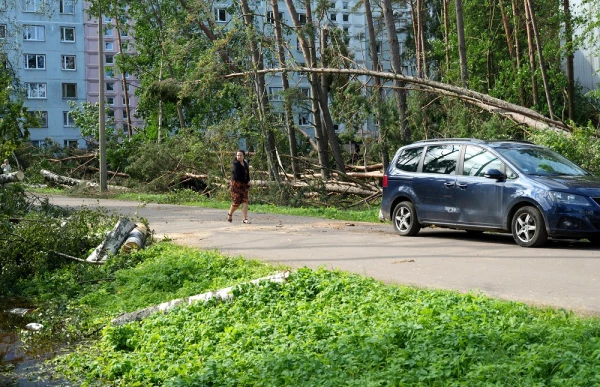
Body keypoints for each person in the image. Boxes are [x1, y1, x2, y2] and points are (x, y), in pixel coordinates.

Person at [227, 150, 251, 224]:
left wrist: (249, 181)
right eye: (238, 155)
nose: (239, 157)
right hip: (236, 185)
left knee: (245, 201)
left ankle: (244, 219)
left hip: (244, 185)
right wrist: (247, 181)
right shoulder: (236, 164)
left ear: (243, 156)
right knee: (237, 202)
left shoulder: (245, 163)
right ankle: (230, 214)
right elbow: (238, 176)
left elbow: (247, 174)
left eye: (240, 155)